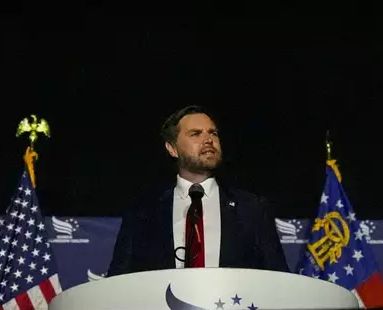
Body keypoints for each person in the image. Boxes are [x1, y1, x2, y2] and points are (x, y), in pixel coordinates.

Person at [107, 105, 289, 276]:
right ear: (172, 149)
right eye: (195, 134)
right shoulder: (143, 212)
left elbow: (277, 280)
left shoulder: (253, 208)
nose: (209, 139)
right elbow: (119, 281)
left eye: (213, 133)